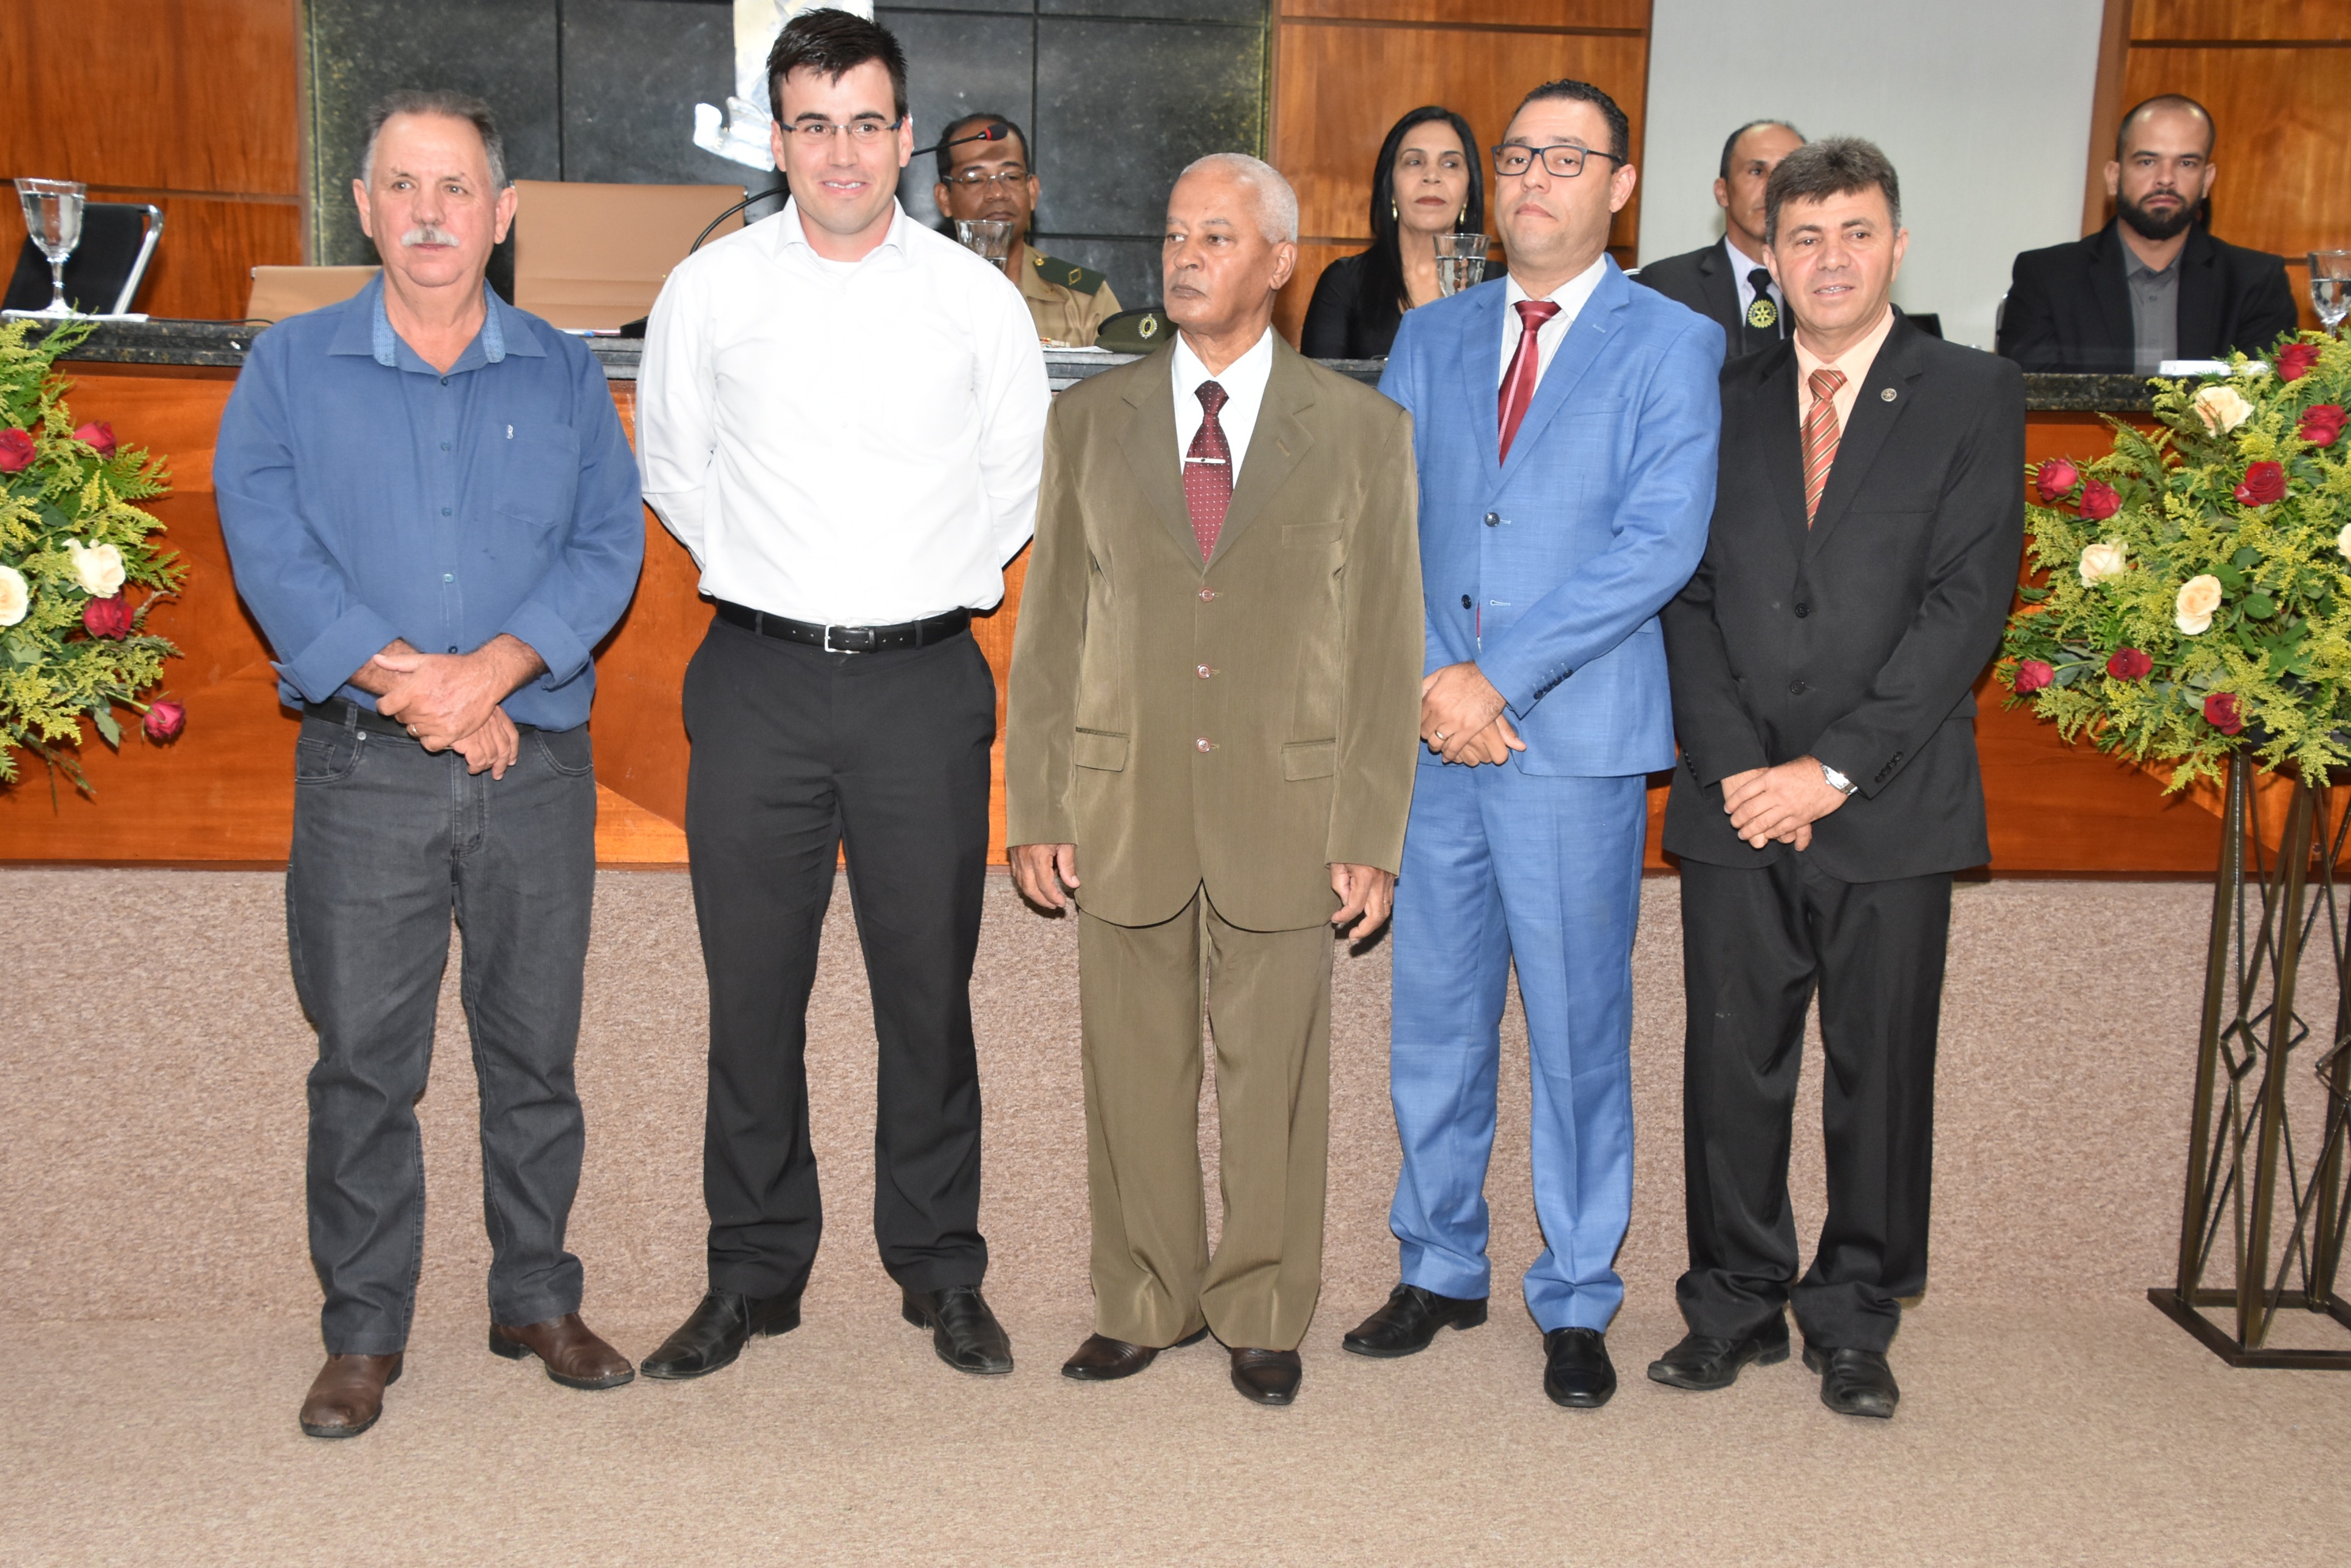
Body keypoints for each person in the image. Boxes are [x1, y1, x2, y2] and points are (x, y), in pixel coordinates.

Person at [214, 89, 647, 1439]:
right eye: (402, 186)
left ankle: (536, 1298)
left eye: (456, 187)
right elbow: (268, 545)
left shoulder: (564, 373)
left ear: (502, 213)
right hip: (364, 771)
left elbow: (609, 544)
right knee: (364, 1062)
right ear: (364, 208)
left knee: (535, 1053)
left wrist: (496, 670)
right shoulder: (290, 368)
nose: (429, 213)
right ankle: (362, 1328)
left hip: (534, 766)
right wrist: (427, 687)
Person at [634, 9, 1049, 1383]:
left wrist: (902, 586)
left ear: (904, 137)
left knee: (927, 992)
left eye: (867, 123)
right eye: (813, 125)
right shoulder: (710, 291)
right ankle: (752, 1271)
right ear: (778, 140)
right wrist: (785, 581)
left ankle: (941, 1267)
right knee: (752, 993)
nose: (842, 152)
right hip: (755, 676)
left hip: (922, 685)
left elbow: (1013, 487)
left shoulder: (975, 303)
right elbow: (676, 471)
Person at [1004, 154, 1423, 1408]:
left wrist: (1369, 828)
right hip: (1123, 796)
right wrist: (1038, 802)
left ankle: (1262, 1308)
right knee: (1131, 1070)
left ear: (1279, 263)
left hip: (1288, 808)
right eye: (1176, 233)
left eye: (1218, 236)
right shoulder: (1090, 420)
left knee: (1273, 1082)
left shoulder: (1360, 432)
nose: (1185, 256)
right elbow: (1052, 627)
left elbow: (1383, 641)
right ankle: (1143, 1298)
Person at [1342, 79, 1722, 1410]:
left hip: (1571, 740)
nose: (1532, 179)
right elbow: (1378, 526)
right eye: (1516, 157)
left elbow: (1658, 542)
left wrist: (1493, 678)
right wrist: (1431, 683)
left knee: (1575, 1032)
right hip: (1435, 741)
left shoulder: (1671, 340)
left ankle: (1573, 1291)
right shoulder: (1433, 333)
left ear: (1620, 186)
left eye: (1567, 159)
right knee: (1435, 1025)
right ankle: (1439, 1262)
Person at [1655, 139, 2024, 1420]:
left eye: (1854, 233)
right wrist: (1742, 769)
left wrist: (1829, 769)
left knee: (1880, 1070)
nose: (1829, 259)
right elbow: (1685, 593)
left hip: (1892, 798)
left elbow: (1965, 607)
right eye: (1802, 236)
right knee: (1730, 1069)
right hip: (1734, 797)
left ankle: (1856, 1316)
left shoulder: (1972, 391)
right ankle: (1733, 1303)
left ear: (1897, 246)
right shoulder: (1715, 389)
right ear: (1766, 253)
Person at [1998, 94, 2296, 373]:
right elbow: (2035, 397)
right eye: (2147, 162)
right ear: (2114, 177)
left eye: (2186, 163)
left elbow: (2262, 399)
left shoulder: (2255, 282)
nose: (2165, 179)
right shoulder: (2047, 278)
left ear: (2206, 181)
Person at [1300, 106, 1485, 359]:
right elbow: (1317, 383)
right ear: (1391, 188)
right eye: (1415, 162)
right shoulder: (1346, 283)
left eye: (1450, 164)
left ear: (1468, 193)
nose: (1432, 176)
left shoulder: (1500, 285)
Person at [932, 109, 1121, 346]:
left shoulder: (1083, 297)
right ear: (944, 199)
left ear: (1032, 192)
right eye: (975, 179)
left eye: (1011, 177)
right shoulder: (919, 290)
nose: (997, 193)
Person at [1635, 119, 1805, 358]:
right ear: (1722, 192)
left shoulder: (1826, 284)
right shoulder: (1664, 286)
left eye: (1787, 174)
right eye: (1757, 172)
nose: (1773, 188)